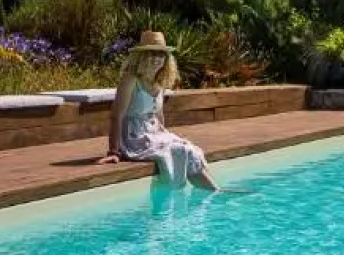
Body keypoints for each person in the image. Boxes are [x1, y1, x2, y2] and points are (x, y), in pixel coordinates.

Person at [97, 30, 244, 192]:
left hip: (153, 133)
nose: (157, 58)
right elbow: (116, 115)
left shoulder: (159, 81)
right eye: (151, 54)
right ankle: (198, 191)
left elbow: (158, 115)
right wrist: (114, 151)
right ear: (141, 56)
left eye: (161, 54)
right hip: (134, 137)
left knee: (189, 148)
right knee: (178, 150)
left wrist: (165, 136)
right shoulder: (131, 79)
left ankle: (215, 190)